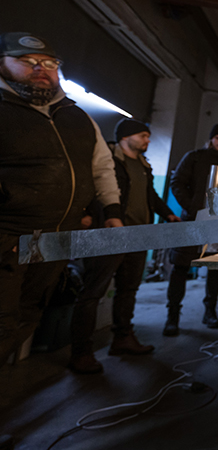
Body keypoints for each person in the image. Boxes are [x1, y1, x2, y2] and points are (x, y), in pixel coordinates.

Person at [0, 32, 122, 367]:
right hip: (8, 241)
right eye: (27, 62)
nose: (40, 69)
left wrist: (111, 211)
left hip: (53, 243)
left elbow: (101, 166)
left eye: (49, 63)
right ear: (3, 65)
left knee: (27, 317)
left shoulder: (77, 117)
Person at [68, 119, 180, 374]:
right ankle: (81, 352)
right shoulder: (108, 160)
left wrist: (168, 214)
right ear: (126, 136)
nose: (148, 141)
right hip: (111, 234)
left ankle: (122, 339)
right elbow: (91, 187)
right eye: (143, 135)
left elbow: (150, 195)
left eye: (148, 136)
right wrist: (85, 213)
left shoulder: (143, 166)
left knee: (128, 289)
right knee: (92, 292)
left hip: (138, 235)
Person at [163, 123, 218, 336]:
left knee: (215, 268)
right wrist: (193, 207)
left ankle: (210, 312)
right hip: (192, 221)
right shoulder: (194, 158)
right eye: (217, 139)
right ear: (211, 139)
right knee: (180, 267)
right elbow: (177, 182)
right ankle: (172, 317)